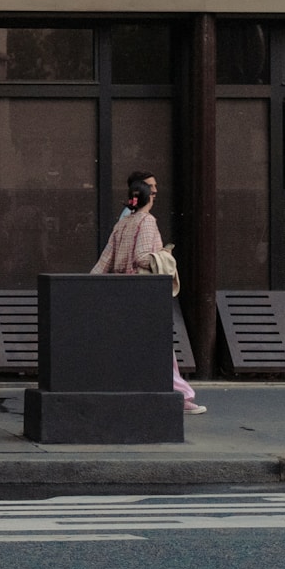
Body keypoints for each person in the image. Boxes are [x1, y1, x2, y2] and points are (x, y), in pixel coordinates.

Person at [92, 172, 206, 415]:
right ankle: (181, 395)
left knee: (132, 345)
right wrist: (165, 255)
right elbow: (142, 258)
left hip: (120, 294)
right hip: (142, 295)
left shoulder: (121, 224)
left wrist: (89, 287)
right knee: (160, 345)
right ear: (148, 196)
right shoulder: (147, 221)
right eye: (153, 189)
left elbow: (104, 262)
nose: (156, 192)